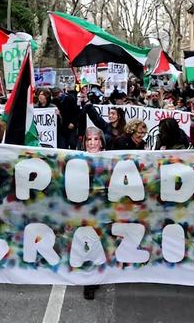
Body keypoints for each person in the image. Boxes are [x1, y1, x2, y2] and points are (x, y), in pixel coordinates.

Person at [82, 126, 106, 299]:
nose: (92, 143)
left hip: (103, 209)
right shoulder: (76, 159)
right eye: (89, 139)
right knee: (88, 242)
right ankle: (89, 282)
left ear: (101, 142)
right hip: (84, 208)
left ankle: (97, 275)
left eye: (95, 139)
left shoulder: (110, 159)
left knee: (100, 243)